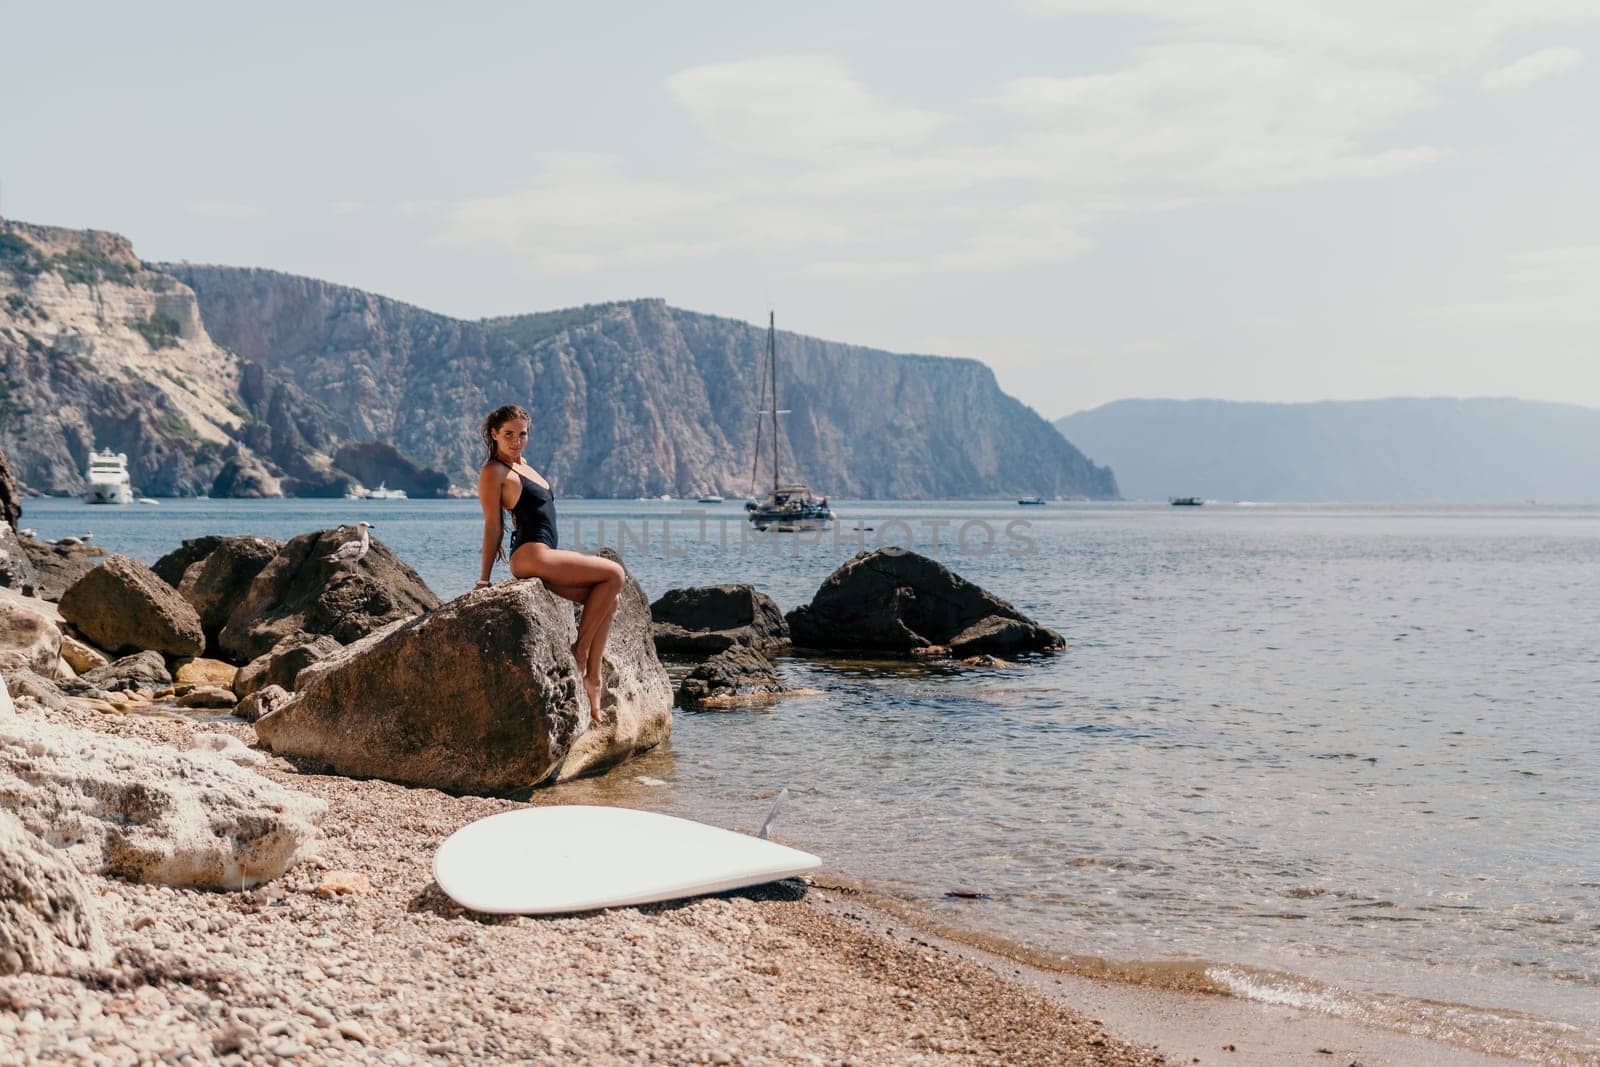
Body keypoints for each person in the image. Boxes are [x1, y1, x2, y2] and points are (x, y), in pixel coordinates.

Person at [476, 404, 624, 725]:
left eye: (522, 434)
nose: (516, 441)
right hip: (531, 554)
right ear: (494, 435)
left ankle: (593, 681)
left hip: (545, 553)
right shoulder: (494, 471)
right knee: (614, 573)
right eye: (509, 435)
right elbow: (493, 525)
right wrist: (484, 580)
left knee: (609, 597)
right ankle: (580, 652)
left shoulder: (523, 464)